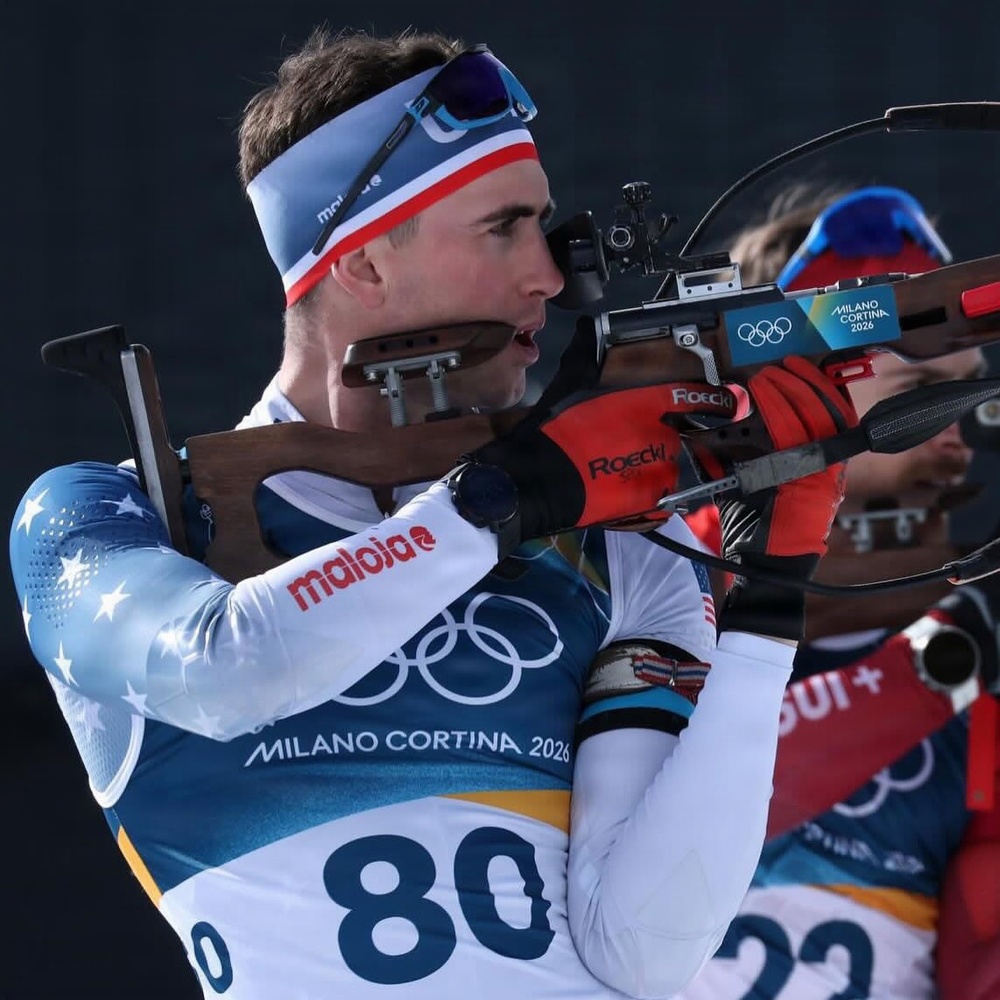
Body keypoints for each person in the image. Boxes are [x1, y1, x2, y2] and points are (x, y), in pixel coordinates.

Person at [9, 29, 857, 1000]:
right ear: (364, 261)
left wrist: (764, 616)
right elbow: (223, 668)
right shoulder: (109, 511)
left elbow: (645, 953)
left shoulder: (611, 539)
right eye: (503, 228)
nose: (550, 274)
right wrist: (493, 501)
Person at [679, 184, 1000, 999]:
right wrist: (930, 674)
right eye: (913, 385)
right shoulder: (635, 590)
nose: (956, 421)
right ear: (773, 394)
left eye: (967, 381)